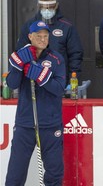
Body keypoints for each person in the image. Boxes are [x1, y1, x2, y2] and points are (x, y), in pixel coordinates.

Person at [5, 21, 66, 185]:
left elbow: (60, 88)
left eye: (45, 36)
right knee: (15, 174)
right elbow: (11, 84)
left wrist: (42, 77)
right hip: (25, 123)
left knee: (54, 173)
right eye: (38, 36)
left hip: (50, 124)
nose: (42, 39)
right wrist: (18, 67)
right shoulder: (21, 55)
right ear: (30, 36)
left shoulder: (56, 59)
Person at [16, 0, 83, 86]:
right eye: (44, 7)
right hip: (34, 80)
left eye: (50, 7)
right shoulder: (29, 26)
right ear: (39, 6)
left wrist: (73, 80)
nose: (47, 10)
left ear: (56, 6)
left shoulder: (67, 27)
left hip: (59, 80)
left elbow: (75, 55)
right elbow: (20, 52)